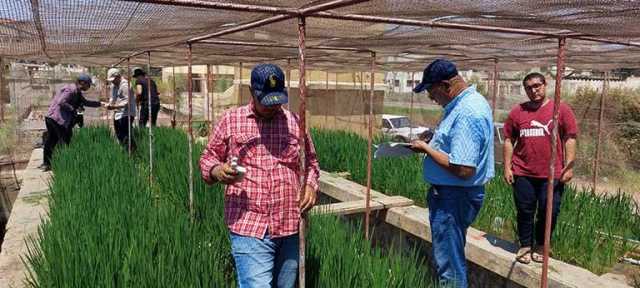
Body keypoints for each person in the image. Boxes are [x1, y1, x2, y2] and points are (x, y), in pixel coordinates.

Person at [199, 63, 319, 288]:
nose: (272, 107)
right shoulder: (231, 120)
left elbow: (311, 163)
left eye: (277, 101)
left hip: (290, 224)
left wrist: (310, 186)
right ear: (252, 92)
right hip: (249, 226)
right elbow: (207, 158)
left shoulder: (295, 122)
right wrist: (217, 171)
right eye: (266, 102)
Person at [410, 59, 494, 288]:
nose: (430, 97)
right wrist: (434, 138)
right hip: (453, 196)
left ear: (446, 85)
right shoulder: (463, 105)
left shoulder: (467, 112)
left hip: (453, 198)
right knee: (451, 257)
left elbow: (464, 169)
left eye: (431, 90)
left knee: (450, 266)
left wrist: (425, 148)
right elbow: (457, 146)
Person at [503, 72, 578, 264]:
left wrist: (568, 167)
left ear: (545, 85)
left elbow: (570, 138)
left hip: (552, 174)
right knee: (525, 209)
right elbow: (509, 139)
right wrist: (507, 167)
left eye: (537, 86)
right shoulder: (518, 112)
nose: (533, 90)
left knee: (549, 210)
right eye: (529, 87)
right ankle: (525, 245)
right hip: (523, 172)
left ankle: (541, 245)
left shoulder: (561, 109)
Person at [40, 74, 103, 171]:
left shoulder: (77, 92)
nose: (89, 87)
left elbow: (86, 103)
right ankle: (62, 164)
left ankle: (47, 163)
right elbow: (61, 102)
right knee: (64, 141)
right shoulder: (71, 89)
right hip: (56, 119)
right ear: (82, 83)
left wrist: (100, 104)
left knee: (52, 140)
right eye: (88, 85)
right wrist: (73, 109)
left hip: (53, 118)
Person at [105, 68, 136, 149]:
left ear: (118, 76)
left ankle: (132, 151)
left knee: (125, 134)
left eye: (113, 79)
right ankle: (124, 150)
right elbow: (112, 98)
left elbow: (126, 102)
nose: (112, 81)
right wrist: (109, 104)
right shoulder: (113, 85)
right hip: (118, 113)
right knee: (118, 133)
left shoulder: (125, 85)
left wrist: (114, 107)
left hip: (127, 113)